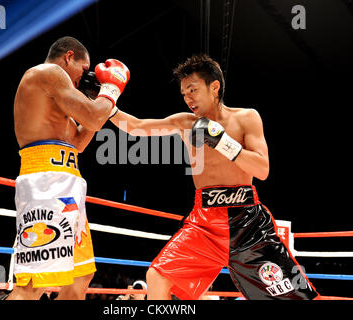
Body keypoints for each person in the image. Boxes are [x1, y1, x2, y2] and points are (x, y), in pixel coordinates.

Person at [108, 54, 320, 300]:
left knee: (294, 297)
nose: (187, 98)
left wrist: (223, 142)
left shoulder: (246, 118)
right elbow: (136, 126)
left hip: (248, 223)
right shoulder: (185, 123)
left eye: (193, 90)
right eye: (184, 93)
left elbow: (262, 169)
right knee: (157, 276)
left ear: (215, 87)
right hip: (204, 223)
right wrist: (108, 101)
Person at [7, 36, 130, 300]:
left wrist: (102, 102)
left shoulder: (57, 100)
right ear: (69, 57)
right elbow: (94, 117)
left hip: (66, 184)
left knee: (81, 274)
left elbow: (79, 141)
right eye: (84, 70)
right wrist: (110, 90)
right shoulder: (48, 73)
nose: (82, 78)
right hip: (45, 181)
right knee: (33, 284)